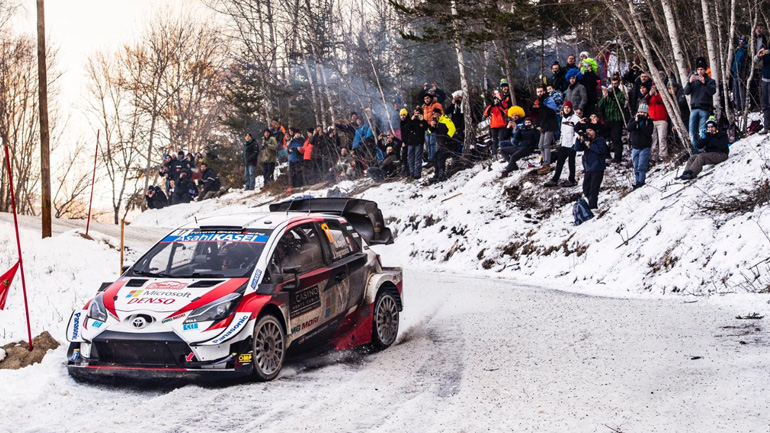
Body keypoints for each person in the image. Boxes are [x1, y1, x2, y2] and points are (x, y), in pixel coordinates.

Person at [684, 57, 717, 154]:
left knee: (703, 131)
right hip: (694, 108)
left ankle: (704, 150)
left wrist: (704, 83)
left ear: (705, 70)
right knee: (692, 133)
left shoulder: (710, 81)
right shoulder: (694, 80)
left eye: (701, 69)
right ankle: (696, 152)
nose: (700, 71)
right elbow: (686, 92)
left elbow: (712, 92)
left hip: (705, 108)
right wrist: (689, 82)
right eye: (698, 69)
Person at [545, 100, 579, 187]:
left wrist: (574, 143)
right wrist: (561, 142)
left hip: (572, 144)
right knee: (560, 162)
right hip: (564, 144)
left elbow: (577, 132)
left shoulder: (575, 118)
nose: (566, 109)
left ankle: (572, 179)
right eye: (565, 108)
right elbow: (562, 132)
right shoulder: (563, 118)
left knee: (571, 162)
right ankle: (555, 179)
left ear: (571, 109)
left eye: (568, 108)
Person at [574, 124, 607, 209]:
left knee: (594, 188)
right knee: (586, 188)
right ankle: (591, 203)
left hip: (597, 167)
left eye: (590, 130)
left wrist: (590, 145)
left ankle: (593, 206)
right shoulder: (586, 140)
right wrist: (578, 139)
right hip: (588, 167)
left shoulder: (600, 140)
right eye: (587, 130)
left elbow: (601, 150)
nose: (588, 132)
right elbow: (577, 148)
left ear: (595, 131)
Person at [598, 75, 627, 163]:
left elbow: (622, 103)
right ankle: (606, 154)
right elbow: (600, 105)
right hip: (608, 119)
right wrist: (604, 97)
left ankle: (618, 157)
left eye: (616, 83)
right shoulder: (607, 92)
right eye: (613, 83)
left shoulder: (620, 93)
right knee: (601, 136)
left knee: (616, 138)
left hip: (617, 119)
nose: (614, 85)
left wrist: (612, 97)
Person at [532, 85, 559, 172]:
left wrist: (542, 106)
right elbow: (538, 115)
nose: (539, 93)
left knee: (546, 145)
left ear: (544, 91)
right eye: (538, 92)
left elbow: (552, 111)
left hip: (550, 124)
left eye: (541, 91)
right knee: (540, 145)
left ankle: (547, 164)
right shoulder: (538, 101)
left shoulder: (548, 99)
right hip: (543, 125)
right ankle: (544, 162)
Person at [627, 103, 654, 189]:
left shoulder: (649, 121)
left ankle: (641, 182)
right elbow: (629, 128)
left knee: (641, 166)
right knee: (636, 166)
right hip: (635, 147)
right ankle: (637, 182)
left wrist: (641, 123)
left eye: (644, 113)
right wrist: (636, 121)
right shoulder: (633, 119)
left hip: (645, 147)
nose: (642, 114)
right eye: (641, 112)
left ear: (647, 113)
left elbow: (648, 132)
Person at [402, 107, 427, 179]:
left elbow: (426, 128)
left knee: (418, 158)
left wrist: (422, 120)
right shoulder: (410, 121)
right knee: (410, 158)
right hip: (410, 142)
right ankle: (411, 173)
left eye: (418, 114)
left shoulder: (422, 121)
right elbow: (406, 129)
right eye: (415, 113)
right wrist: (411, 120)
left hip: (419, 142)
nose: (416, 115)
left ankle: (417, 174)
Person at [484, 90, 509, 158]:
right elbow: (486, 113)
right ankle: (494, 154)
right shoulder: (491, 107)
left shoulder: (502, 105)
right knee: (494, 140)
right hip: (493, 126)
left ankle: (503, 153)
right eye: (495, 99)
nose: (496, 100)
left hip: (502, 125)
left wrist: (500, 104)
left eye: (497, 99)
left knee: (501, 139)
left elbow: (505, 112)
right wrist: (491, 106)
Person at [647, 84, 669, 162]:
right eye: (652, 88)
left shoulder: (662, 95)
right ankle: (654, 157)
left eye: (655, 88)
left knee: (662, 138)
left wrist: (657, 95)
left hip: (662, 120)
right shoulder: (648, 96)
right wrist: (650, 95)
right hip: (652, 120)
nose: (654, 89)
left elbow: (666, 103)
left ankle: (663, 155)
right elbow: (643, 102)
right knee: (653, 139)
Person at [754, 43, 770, 134]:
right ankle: (767, 127)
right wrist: (758, 56)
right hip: (765, 79)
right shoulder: (766, 49)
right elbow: (755, 60)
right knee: (765, 104)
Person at [732, 36, 751, 111]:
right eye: (740, 41)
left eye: (742, 41)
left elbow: (747, 64)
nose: (741, 43)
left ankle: (743, 107)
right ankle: (737, 106)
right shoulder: (737, 50)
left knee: (742, 91)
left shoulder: (746, 51)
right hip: (735, 73)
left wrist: (746, 74)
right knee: (735, 91)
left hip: (742, 74)